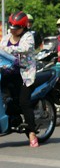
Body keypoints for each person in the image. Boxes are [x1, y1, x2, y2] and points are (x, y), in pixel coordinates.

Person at [1, 12, 38, 147]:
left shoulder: (28, 37)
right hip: (8, 73)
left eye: (16, 27)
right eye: (11, 27)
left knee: (24, 102)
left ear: (23, 27)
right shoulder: (6, 38)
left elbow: (24, 48)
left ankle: (32, 133)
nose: (13, 29)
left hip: (25, 75)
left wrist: (7, 49)